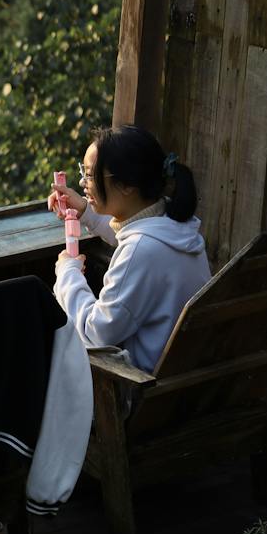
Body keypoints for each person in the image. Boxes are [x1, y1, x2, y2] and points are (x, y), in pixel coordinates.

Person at [48, 125, 209, 376]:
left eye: (90, 175)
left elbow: (98, 333)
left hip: (137, 387)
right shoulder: (176, 226)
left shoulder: (141, 250)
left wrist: (68, 274)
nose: (82, 182)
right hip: (182, 381)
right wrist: (86, 212)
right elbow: (135, 237)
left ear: (126, 186)